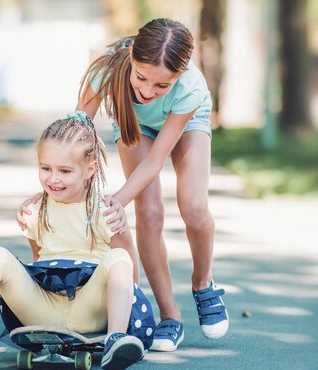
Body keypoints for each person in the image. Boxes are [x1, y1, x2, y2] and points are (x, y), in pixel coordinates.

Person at [17, 18, 229, 352]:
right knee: (149, 212)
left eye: (162, 86)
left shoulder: (190, 88)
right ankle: (169, 316)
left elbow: (155, 161)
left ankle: (203, 284)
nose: (147, 91)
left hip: (185, 123)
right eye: (141, 78)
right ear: (131, 57)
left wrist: (115, 199)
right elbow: (72, 140)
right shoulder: (104, 73)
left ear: (180, 74)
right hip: (135, 123)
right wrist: (50, 190)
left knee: (193, 204)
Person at [0, 117, 156, 370]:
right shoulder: (36, 210)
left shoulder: (105, 212)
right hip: (43, 310)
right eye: (45, 168)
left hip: (90, 309)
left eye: (65, 171)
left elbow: (130, 274)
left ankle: (115, 341)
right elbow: (38, 262)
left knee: (118, 257)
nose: (53, 179)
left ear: (90, 168)